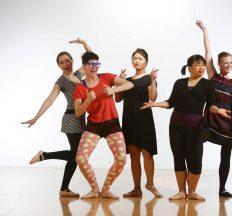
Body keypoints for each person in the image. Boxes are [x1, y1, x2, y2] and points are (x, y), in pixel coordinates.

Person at [141, 54, 231, 200]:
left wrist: (218, 110)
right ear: (189, 68)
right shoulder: (179, 83)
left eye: (203, 65)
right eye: (197, 65)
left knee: (195, 159)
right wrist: (154, 104)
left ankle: (193, 192)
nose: (201, 67)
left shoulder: (208, 84)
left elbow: (211, 105)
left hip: (196, 128)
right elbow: (171, 102)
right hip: (176, 127)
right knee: (178, 158)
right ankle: (181, 191)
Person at [22, 38, 92, 197]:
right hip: (71, 119)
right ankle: (44, 155)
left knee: (76, 156)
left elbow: (91, 58)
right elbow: (50, 100)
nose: (66, 63)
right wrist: (35, 118)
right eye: (62, 62)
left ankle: (64, 189)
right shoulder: (61, 81)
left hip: (82, 118)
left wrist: (84, 43)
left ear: (72, 61)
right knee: (77, 155)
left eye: (68, 60)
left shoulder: (79, 74)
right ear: (59, 65)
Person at [74, 51, 134, 199]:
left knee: (121, 159)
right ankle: (95, 190)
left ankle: (105, 189)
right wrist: (88, 100)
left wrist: (113, 89)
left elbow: (129, 84)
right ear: (84, 67)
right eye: (91, 64)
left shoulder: (106, 77)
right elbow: (78, 112)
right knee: (80, 158)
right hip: (93, 126)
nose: (94, 67)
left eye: (97, 64)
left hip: (112, 124)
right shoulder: (80, 88)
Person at [196, 20, 232, 197]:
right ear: (219, 64)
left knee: (226, 156)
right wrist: (205, 30)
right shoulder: (212, 76)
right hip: (210, 118)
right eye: (225, 62)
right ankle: (190, 186)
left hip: (229, 122)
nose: (228, 65)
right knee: (195, 147)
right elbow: (208, 52)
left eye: (231, 62)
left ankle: (222, 188)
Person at [114, 48, 162, 198]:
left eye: (140, 58)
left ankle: (150, 184)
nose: (137, 61)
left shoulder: (149, 78)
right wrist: (118, 81)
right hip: (129, 118)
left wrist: (153, 79)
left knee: (147, 153)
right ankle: (136, 189)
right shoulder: (127, 81)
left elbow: (153, 98)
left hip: (144, 118)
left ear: (146, 61)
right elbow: (117, 98)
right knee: (134, 155)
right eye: (134, 58)